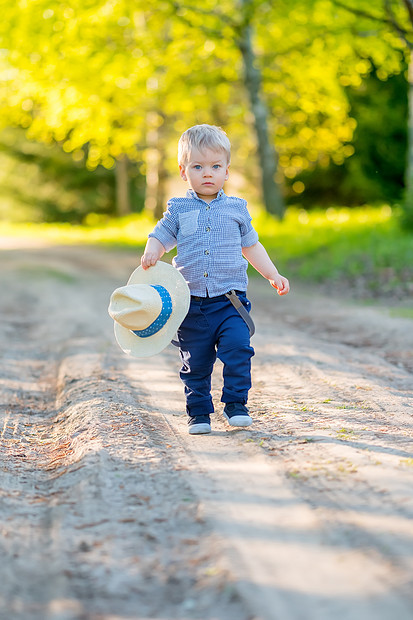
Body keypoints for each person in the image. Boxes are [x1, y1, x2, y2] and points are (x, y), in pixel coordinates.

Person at [141, 124, 289, 435]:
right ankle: (198, 413)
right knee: (195, 363)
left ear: (227, 170)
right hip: (191, 305)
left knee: (238, 348)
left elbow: (251, 246)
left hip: (230, 300)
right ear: (184, 172)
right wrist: (152, 251)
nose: (207, 173)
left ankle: (236, 404)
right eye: (198, 166)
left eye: (215, 166)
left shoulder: (236, 208)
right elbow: (161, 236)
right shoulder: (178, 209)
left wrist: (272, 274)